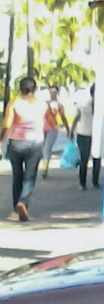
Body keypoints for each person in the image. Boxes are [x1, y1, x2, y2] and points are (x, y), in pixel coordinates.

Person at [1, 77, 46, 221]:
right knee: (30, 177)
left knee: (17, 176)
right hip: (35, 143)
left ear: (20, 88)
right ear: (35, 89)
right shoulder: (42, 104)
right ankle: (23, 202)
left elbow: (7, 124)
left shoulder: (14, 103)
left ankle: (16, 210)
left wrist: (0, 139)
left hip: (16, 144)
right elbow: (50, 122)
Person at [69, 85, 101, 190]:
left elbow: (76, 118)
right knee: (97, 158)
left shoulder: (83, 104)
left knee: (84, 159)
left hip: (83, 133)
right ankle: (95, 182)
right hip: (97, 134)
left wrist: (71, 131)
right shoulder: (102, 106)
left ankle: (82, 184)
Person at [40, 85, 70, 176]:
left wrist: (68, 129)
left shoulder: (59, 105)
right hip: (41, 127)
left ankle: (44, 169)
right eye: (51, 91)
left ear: (57, 93)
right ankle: (43, 166)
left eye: (54, 92)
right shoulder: (43, 103)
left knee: (47, 148)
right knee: (41, 148)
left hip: (53, 128)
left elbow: (63, 117)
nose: (53, 93)